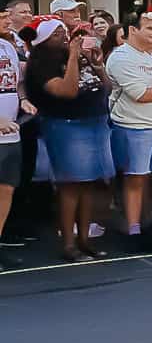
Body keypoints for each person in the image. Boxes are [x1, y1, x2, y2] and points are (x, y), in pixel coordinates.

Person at [23, 17, 112, 260]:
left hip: (94, 122)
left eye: (64, 31)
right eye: (56, 34)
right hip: (66, 126)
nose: (64, 36)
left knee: (89, 182)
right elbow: (67, 90)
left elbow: (107, 87)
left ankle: (85, 240)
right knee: (71, 184)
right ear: (43, 40)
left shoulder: (74, 56)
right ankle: (69, 244)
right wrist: (73, 56)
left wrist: (97, 64)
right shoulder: (42, 64)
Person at [104, 8, 152, 242]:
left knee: (148, 178)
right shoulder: (121, 57)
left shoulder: (149, 57)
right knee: (135, 177)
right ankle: (133, 227)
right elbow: (139, 94)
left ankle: (146, 223)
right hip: (134, 126)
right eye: (149, 29)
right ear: (132, 30)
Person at [0, 1, 23, 258]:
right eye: (2, 17)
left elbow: (17, 84)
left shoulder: (8, 46)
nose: (8, 22)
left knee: (6, 188)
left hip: (11, 133)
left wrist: (24, 98)